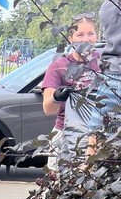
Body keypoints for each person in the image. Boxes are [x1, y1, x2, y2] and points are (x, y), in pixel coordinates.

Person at [41, 15, 101, 169]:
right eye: (80, 35)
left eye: (90, 34)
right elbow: (48, 109)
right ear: (70, 38)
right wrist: (56, 97)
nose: (85, 39)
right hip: (65, 135)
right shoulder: (59, 66)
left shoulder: (104, 62)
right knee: (59, 185)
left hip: (98, 136)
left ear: (97, 36)